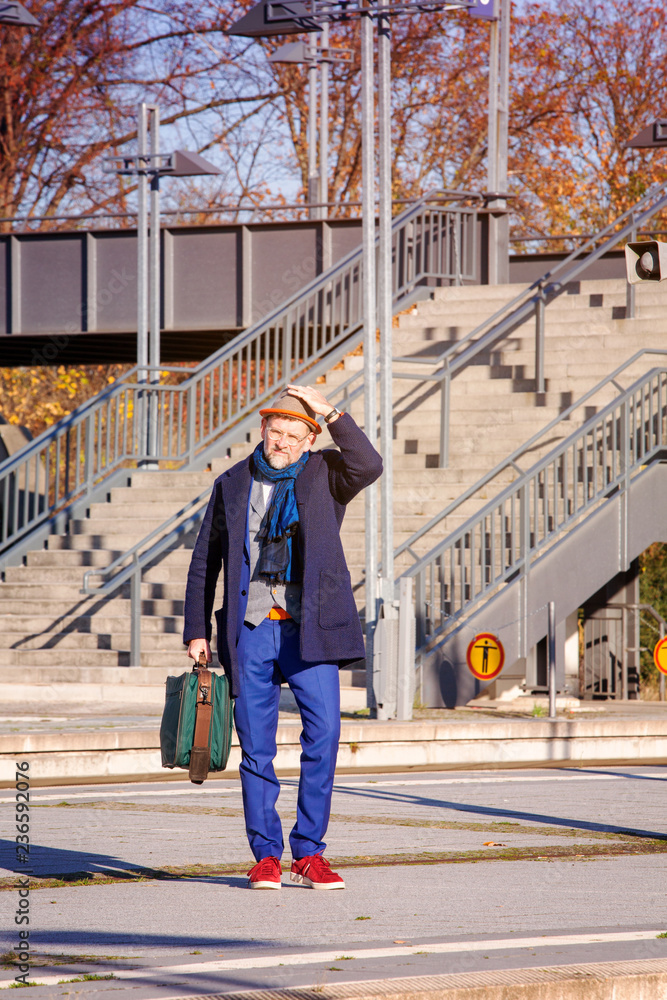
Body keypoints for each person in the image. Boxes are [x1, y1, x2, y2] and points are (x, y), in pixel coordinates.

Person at [183, 383, 382, 890]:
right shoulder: (232, 482)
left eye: (296, 435)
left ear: (309, 441)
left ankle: (310, 853)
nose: (283, 443)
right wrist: (197, 630)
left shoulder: (325, 475)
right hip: (249, 632)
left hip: (308, 629)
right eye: (277, 432)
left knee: (326, 736)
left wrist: (330, 412)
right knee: (256, 749)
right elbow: (205, 560)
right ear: (264, 431)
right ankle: (266, 855)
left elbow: (369, 464)